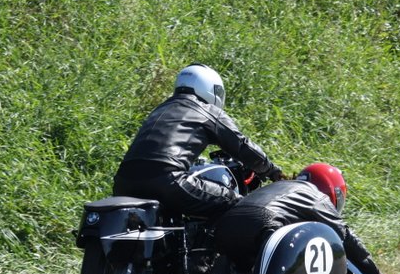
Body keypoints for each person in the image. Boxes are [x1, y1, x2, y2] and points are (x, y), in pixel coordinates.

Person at [113, 63, 282, 219]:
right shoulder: (206, 110)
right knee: (239, 205)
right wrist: (273, 172)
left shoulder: (160, 109)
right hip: (167, 179)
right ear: (209, 88)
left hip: (124, 181)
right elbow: (242, 145)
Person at [213, 163, 400, 274]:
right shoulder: (315, 195)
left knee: (244, 249)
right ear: (332, 190)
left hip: (225, 225)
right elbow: (345, 236)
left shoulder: (279, 187)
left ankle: (232, 273)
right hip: (263, 225)